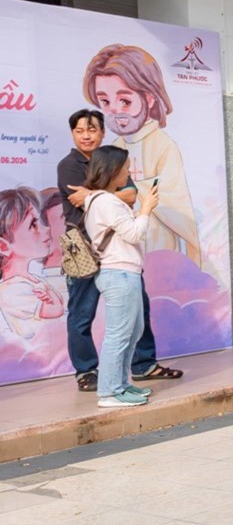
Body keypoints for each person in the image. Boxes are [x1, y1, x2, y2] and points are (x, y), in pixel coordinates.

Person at [57, 109, 182, 391]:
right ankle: (86, 371)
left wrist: (95, 194)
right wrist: (108, 195)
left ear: (102, 132)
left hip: (119, 250)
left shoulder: (113, 159)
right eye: (79, 130)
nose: (86, 135)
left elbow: (131, 193)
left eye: (92, 130)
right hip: (84, 249)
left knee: (140, 309)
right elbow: (81, 200)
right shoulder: (68, 164)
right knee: (81, 313)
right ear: (73, 134)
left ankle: (143, 365)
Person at [83, 45, 202, 267]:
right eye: (105, 102)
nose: (115, 110)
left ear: (148, 98)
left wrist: (133, 191)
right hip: (121, 252)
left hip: (158, 248)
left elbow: (174, 201)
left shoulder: (163, 146)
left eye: (125, 101)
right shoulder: (115, 147)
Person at [82, 146, 160, 408]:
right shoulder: (106, 201)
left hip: (126, 273)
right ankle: (109, 391)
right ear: (112, 170)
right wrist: (146, 209)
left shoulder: (105, 200)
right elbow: (134, 234)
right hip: (118, 274)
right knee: (119, 334)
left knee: (132, 331)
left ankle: (121, 385)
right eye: (125, 167)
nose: (129, 172)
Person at [0, 188, 65, 340]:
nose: (46, 229)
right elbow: (56, 309)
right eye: (33, 225)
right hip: (36, 355)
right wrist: (51, 296)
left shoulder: (33, 279)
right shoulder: (12, 290)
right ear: (3, 247)